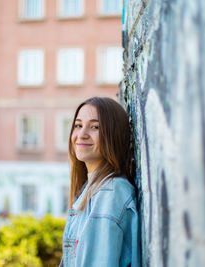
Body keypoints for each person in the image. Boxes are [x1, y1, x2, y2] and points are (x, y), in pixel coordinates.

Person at [60, 97, 141, 267]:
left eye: (95, 127)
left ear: (114, 134)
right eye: (78, 125)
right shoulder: (92, 190)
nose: (82, 135)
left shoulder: (109, 194)